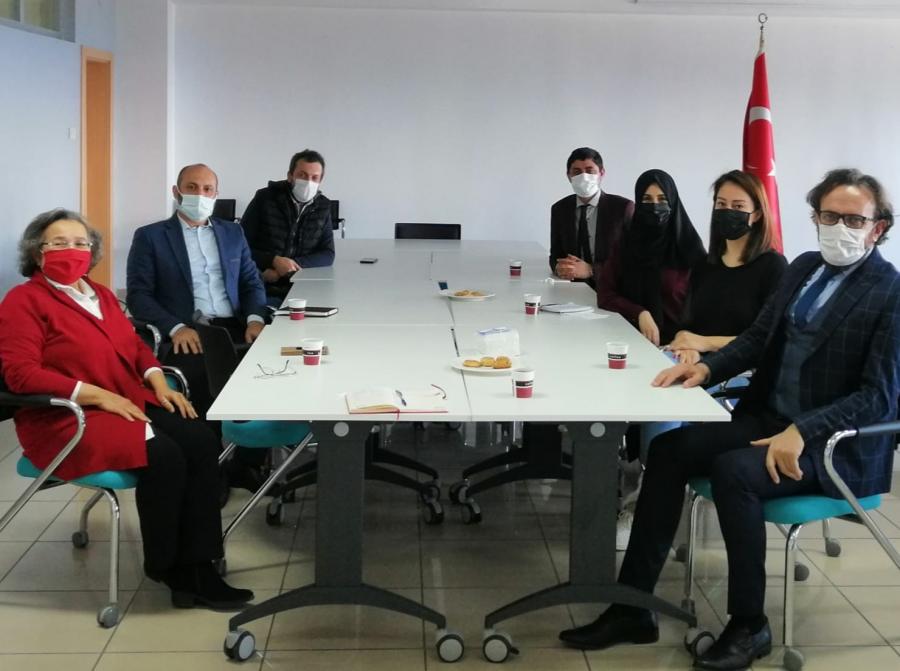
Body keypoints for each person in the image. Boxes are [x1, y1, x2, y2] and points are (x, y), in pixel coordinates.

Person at [559, 169, 900, 671]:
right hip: (769, 418)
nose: (839, 228)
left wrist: (802, 431)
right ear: (815, 218)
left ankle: (749, 624)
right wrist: (706, 369)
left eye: (854, 219)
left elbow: (879, 396)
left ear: (878, 227)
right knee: (669, 451)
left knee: (734, 471)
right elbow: (759, 338)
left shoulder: (889, 291)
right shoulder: (804, 267)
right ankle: (633, 607)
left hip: (832, 445)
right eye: (829, 216)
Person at [0, 209, 254, 610]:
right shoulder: (24, 300)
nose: (72, 250)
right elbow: (20, 373)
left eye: (80, 243)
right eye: (59, 243)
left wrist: (156, 377)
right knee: (165, 456)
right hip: (68, 416)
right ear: (37, 252)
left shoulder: (99, 294)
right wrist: (98, 396)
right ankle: (170, 568)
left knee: (202, 440)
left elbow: (134, 345)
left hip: (125, 399)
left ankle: (201, 561)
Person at [126, 163, 268, 421]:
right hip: (189, 331)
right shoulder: (150, 236)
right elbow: (138, 296)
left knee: (268, 374)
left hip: (236, 326)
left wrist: (255, 320)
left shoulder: (233, 232)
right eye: (191, 187)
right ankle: (212, 443)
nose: (200, 194)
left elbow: (251, 282)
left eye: (207, 189)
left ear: (216, 194)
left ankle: (252, 444)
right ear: (176, 192)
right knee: (205, 389)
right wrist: (176, 328)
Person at [668, 170, 788, 365]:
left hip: (744, 371)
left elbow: (770, 337)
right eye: (721, 204)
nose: (728, 211)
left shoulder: (773, 266)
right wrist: (689, 346)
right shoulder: (704, 265)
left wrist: (704, 343)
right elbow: (688, 326)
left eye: (738, 206)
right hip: (697, 365)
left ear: (757, 214)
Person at [596, 169, 707, 346]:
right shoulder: (626, 245)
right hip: (630, 341)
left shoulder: (690, 249)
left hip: (680, 347)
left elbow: (706, 309)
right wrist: (640, 313)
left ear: (673, 202)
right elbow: (605, 294)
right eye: (647, 200)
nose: (655, 206)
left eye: (662, 199)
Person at [241, 149, 335, 301]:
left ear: (320, 180)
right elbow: (240, 245)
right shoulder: (265, 198)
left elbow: (328, 253)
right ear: (290, 176)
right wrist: (273, 260)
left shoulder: (323, 206)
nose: (308, 182)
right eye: (302, 175)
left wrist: (289, 267)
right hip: (262, 282)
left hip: (302, 284)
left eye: (314, 177)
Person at [549, 147, 634, 287]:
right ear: (568, 176)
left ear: (601, 173)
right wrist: (559, 267)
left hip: (613, 287)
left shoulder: (623, 208)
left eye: (590, 171)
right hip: (571, 289)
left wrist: (591, 270)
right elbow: (555, 255)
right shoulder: (560, 209)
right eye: (577, 172)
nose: (584, 177)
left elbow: (633, 259)